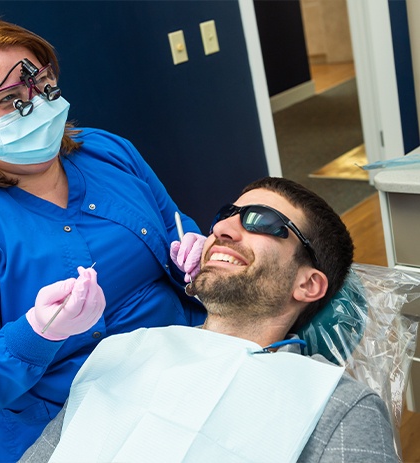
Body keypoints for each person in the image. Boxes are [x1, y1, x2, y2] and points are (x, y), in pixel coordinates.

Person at [0, 15, 206, 463]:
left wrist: (197, 255)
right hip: (67, 429)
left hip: (184, 370)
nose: (35, 106)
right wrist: (36, 334)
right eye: (7, 100)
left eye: (41, 85)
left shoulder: (107, 152)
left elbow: (176, 224)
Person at [20, 176, 399, 463]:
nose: (220, 229)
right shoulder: (122, 354)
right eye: (226, 217)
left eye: (262, 222)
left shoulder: (337, 406)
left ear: (308, 284)